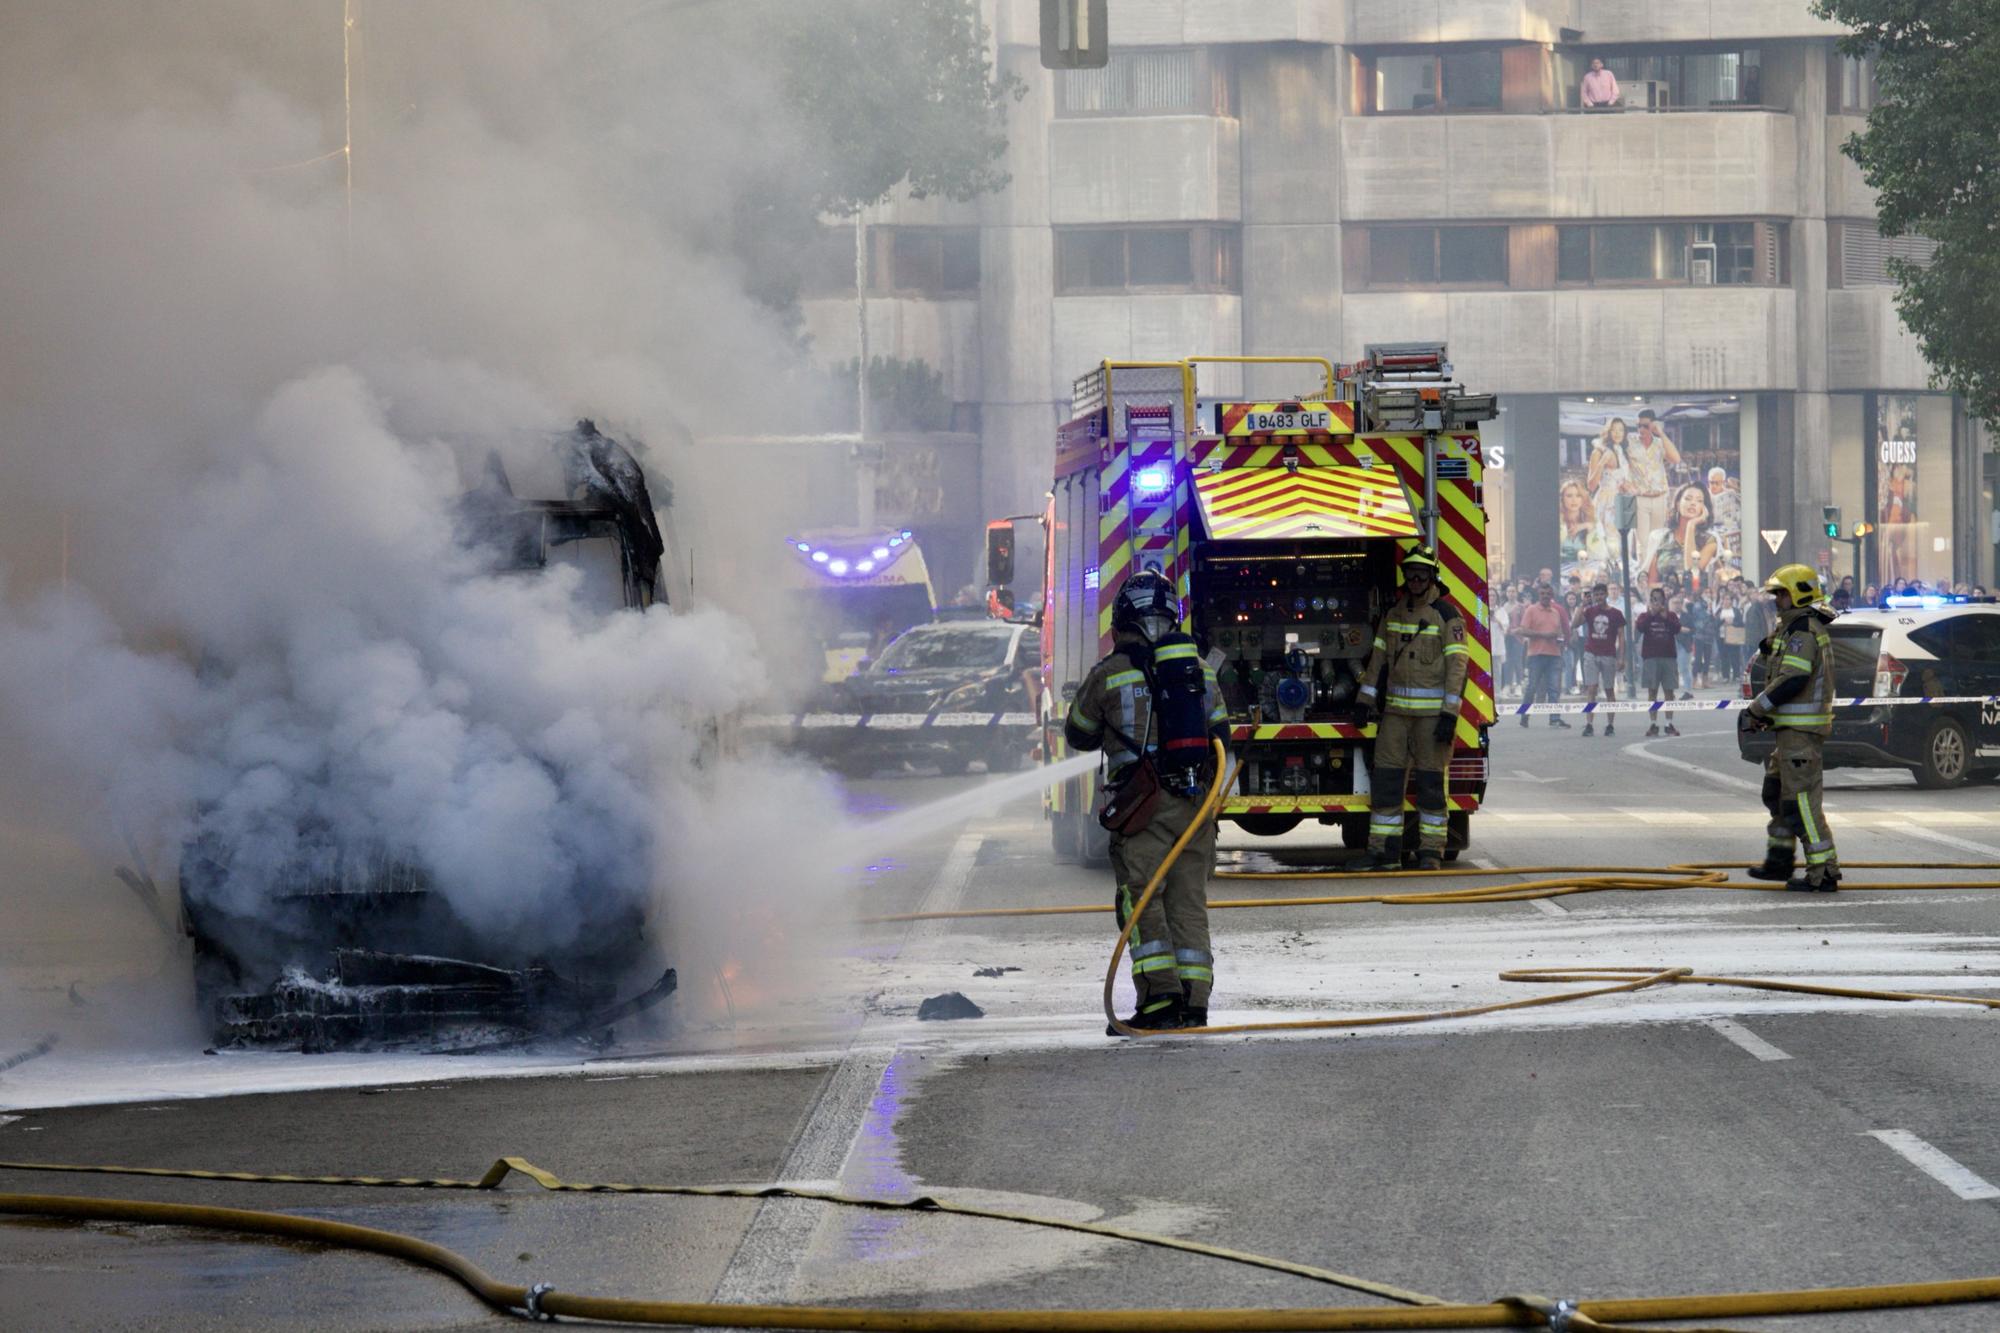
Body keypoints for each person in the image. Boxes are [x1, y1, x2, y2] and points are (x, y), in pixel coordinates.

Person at [1065, 570, 1232, 1032]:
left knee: (1142, 901)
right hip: (1196, 803)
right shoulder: (1198, 669)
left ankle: (1160, 999)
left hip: (1143, 808)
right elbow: (1221, 733)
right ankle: (1194, 1001)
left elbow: (1077, 732)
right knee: (1188, 902)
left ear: (1123, 621)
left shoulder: (1111, 673)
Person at [1349, 547, 1468, 872]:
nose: (1415, 579)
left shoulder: (1447, 616)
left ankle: (1431, 853)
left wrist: (1449, 714)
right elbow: (1378, 664)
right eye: (1410, 572)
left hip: (1432, 720)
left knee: (1430, 786)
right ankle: (1384, 853)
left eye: (1421, 573)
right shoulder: (1394, 614)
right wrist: (1364, 701)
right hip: (1396, 717)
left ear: (1432, 576)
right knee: (1386, 783)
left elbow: (1458, 668)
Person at [1742, 565, 1841, 892]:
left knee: (1801, 806)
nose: (1777, 600)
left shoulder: (1804, 630)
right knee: (1776, 794)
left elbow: (1793, 678)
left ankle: (1823, 872)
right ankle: (1779, 862)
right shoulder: (1791, 628)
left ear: (1798, 593)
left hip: (1801, 735)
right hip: (1788, 734)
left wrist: (1757, 708)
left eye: (1782, 594)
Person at [1645, 482, 1720, 591]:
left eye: (1699, 501)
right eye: (1688, 499)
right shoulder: (1660, 538)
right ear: (1677, 503)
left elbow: (1690, 572)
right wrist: (1667, 588)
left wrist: (1691, 525)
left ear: (1704, 508)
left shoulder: (1710, 541)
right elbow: (1651, 583)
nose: (1693, 503)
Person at [1516, 583, 1571, 728]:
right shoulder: (1531, 610)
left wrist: (1560, 641)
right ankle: (1524, 715)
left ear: (1552, 595)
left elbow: (1559, 633)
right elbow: (1522, 630)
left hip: (1554, 655)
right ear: (1539, 595)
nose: (1545, 596)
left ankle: (1554, 718)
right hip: (1536, 655)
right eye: (1543, 593)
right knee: (1532, 687)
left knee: (1554, 689)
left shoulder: (1555, 612)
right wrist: (1543, 635)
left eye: (1548, 593)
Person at [1575, 582, 1626, 738]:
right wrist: (1581, 606)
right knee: (1591, 689)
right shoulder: (1590, 611)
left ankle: (1610, 724)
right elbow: (1574, 624)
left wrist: (1621, 657)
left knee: (1609, 690)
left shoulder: (1616, 614)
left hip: (1608, 654)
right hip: (1591, 653)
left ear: (1606, 595)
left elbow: (1621, 637)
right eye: (1595, 595)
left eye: (1601, 594)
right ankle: (1589, 724)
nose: (1598, 597)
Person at [1626, 410, 1683, 542]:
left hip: (1660, 497)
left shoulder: (1659, 443)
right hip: (1640, 498)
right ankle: (1644, 564)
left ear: (1653, 425)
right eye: (1639, 426)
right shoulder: (1630, 442)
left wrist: (1661, 433)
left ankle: (1654, 563)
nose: (1641, 429)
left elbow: (1676, 459)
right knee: (1642, 542)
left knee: (1657, 540)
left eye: (1645, 426)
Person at [1634, 588, 1682, 736]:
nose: (1656, 602)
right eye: (1653, 599)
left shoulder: (1671, 615)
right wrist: (1651, 614)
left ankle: (1669, 723)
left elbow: (1677, 629)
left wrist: (1665, 616)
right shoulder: (1644, 616)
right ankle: (1653, 723)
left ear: (1663, 600)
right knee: (1652, 691)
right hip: (1651, 658)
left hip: (1668, 657)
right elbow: (1640, 627)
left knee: (1669, 691)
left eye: (1659, 599)